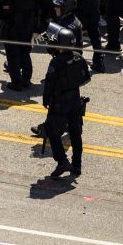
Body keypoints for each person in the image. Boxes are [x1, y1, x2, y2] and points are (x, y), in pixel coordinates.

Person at [40, 28, 91, 180]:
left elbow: (49, 83)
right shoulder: (78, 57)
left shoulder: (56, 62)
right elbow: (86, 78)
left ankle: (62, 161)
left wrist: (45, 100)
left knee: (53, 133)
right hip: (75, 100)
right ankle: (77, 165)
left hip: (59, 103)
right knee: (76, 134)